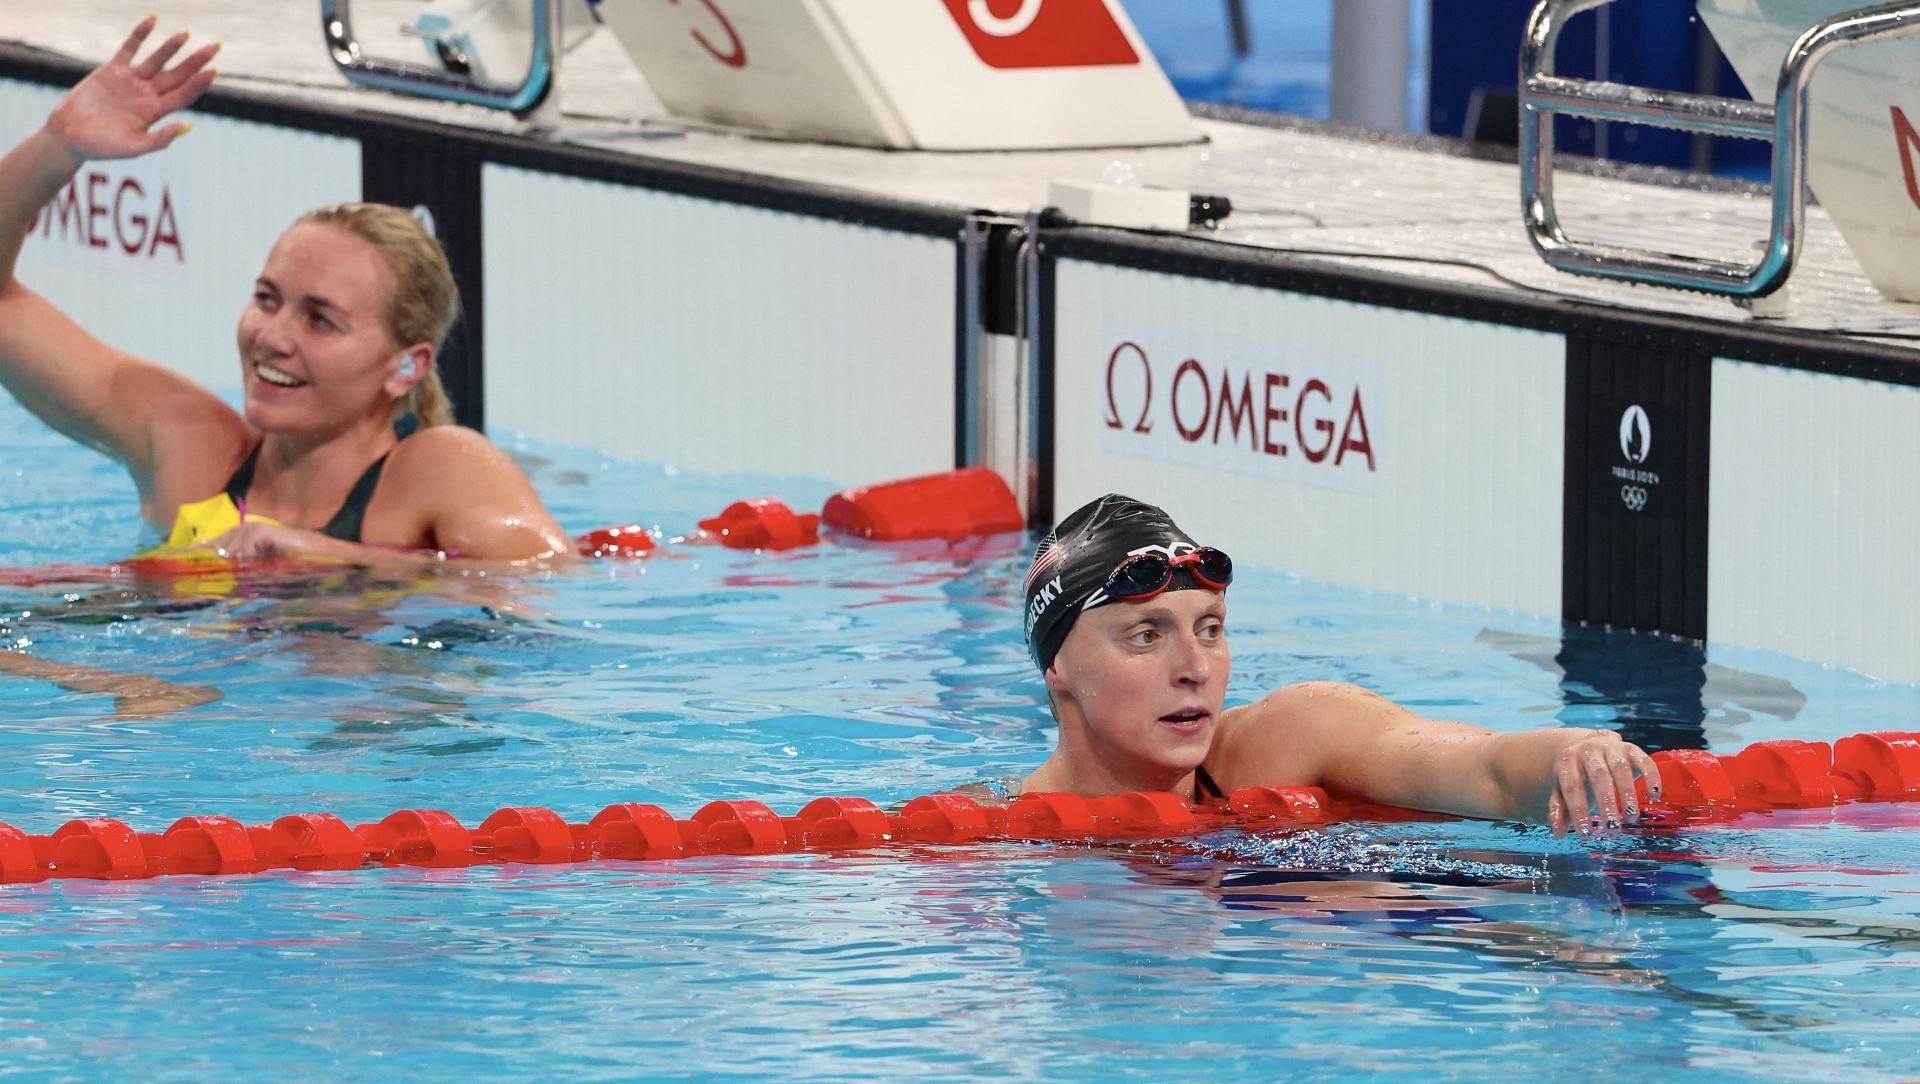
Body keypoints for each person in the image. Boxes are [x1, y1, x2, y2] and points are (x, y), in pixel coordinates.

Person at [0, 18, 573, 565]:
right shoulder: (190, 449)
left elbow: (547, 574)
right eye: (267, 299)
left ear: (406, 367)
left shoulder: (436, 468)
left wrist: (343, 561)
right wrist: (57, 146)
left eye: (320, 320)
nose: (271, 337)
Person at [1019, 494, 1662, 839]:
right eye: (1145, 635)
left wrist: (1575, 750)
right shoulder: (984, 842)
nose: (1195, 667)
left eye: (1210, 630)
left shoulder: (1297, 733)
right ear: (1059, 669)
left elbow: (1484, 766)